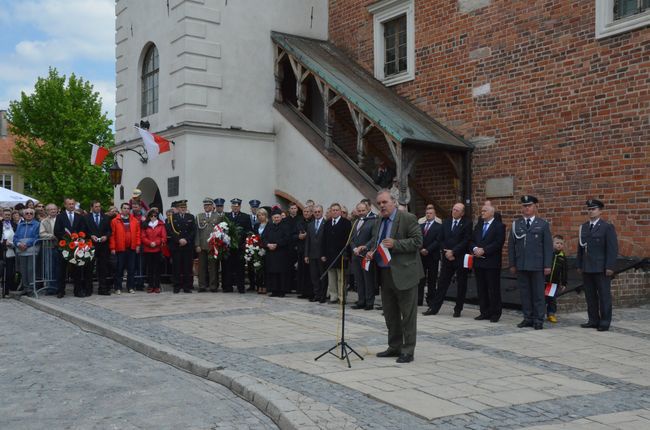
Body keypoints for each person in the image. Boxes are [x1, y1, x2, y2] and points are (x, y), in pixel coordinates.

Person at [362, 190, 423, 363]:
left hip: (405, 273)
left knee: (407, 315)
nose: (381, 205)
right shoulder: (378, 220)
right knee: (390, 314)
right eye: (379, 203)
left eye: (384, 202)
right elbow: (376, 241)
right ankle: (394, 346)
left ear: (393, 202)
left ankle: (408, 350)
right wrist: (371, 252)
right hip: (385, 273)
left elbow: (418, 241)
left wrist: (396, 244)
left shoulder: (407, 218)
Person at [508, 195, 553, 330]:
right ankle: (527, 317)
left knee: (538, 294)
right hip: (521, 264)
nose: (526, 208)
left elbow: (547, 246)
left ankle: (539, 319)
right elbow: (511, 245)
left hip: (538, 265)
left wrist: (547, 265)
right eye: (524, 206)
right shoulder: (516, 224)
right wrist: (512, 263)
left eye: (529, 206)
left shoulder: (542, 224)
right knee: (525, 293)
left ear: (535, 207)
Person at [577, 199, 618, 331]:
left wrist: (610, 266)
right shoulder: (583, 227)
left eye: (593, 209)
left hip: (601, 268)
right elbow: (580, 248)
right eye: (589, 209)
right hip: (587, 267)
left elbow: (612, 249)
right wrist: (579, 264)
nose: (591, 211)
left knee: (604, 295)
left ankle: (605, 321)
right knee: (590, 295)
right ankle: (593, 320)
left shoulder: (607, 227)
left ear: (600, 211)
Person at [424, 203, 471, 317]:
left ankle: (458, 309)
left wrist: (453, 251)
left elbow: (466, 240)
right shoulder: (446, 222)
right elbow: (440, 239)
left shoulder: (467, 223)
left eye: (457, 210)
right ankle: (434, 308)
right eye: (453, 209)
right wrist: (446, 251)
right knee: (442, 283)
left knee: (461, 284)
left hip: (459, 257)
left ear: (462, 213)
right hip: (447, 257)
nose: (454, 211)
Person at [470, 204, 506, 322]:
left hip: (491, 263)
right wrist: (475, 249)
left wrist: (484, 250)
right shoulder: (479, 226)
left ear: (492, 213)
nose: (482, 212)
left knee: (493, 288)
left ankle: (495, 313)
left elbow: (498, 243)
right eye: (482, 211)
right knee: (481, 288)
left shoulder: (499, 226)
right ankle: (484, 311)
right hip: (479, 262)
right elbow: (472, 240)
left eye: (485, 211)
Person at [54, 197, 89, 298]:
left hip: (77, 246)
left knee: (77, 269)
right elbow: (57, 231)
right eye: (69, 204)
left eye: (73, 204)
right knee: (62, 269)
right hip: (64, 246)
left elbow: (83, 229)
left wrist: (77, 239)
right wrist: (67, 239)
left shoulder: (79, 217)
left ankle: (77, 291)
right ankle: (61, 291)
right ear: (65, 205)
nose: (71, 206)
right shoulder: (60, 217)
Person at [321, 203, 352, 304]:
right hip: (329, 255)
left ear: (340, 211)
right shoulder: (327, 223)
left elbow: (349, 240)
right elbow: (324, 240)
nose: (334, 212)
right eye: (332, 210)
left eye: (336, 210)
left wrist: (347, 254)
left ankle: (341, 297)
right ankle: (333, 296)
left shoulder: (346, 223)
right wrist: (323, 254)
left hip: (341, 255)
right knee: (331, 277)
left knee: (341, 278)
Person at [350, 201, 377, 310]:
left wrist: (365, 246)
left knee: (368, 279)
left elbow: (374, 237)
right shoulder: (356, 221)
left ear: (367, 210)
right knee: (359, 279)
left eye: (363, 211)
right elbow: (351, 238)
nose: (361, 213)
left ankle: (369, 302)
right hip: (356, 255)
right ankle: (361, 301)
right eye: (359, 211)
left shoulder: (373, 221)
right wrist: (354, 248)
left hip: (366, 255)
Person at [110, 203, 141, 295]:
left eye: (128, 208)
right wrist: (112, 247)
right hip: (120, 248)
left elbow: (137, 234)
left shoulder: (134, 220)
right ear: (121, 209)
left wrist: (138, 245)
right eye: (124, 208)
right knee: (119, 269)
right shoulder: (115, 221)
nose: (126, 210)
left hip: (131, 248)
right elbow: (112, 235)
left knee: (131, 269)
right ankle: (117, 288)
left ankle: (130, 287)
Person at [166, 200, 196, 293]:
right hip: (177, 245)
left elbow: (193, 231)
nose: (183, 209)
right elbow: (170, 230)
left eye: (184, 207)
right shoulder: (172, 217)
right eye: (181, 208)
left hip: (187, 245)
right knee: (176, 267)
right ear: (178, 208)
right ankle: (177, 286)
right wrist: (179, 240)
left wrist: (186, 240)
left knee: (187, 267)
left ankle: (187, 286)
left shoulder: (191, 217)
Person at [223, 198, 252, 293]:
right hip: (229, 246)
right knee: (228, 267)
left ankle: (241, 287)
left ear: (240, 206)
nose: (236, 208)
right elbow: (222, 228)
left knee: (240, 268)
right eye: (234, 206)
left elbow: (249, 230)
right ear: (231, 206)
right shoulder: (226, 216)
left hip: (240, 246)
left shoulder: (245, 216)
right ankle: (228, 287)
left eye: (237, 206)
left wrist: (240, 234)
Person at [195, 197, 223, 292]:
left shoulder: (218, 216)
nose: (206, 207)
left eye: (208, 205)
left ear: (212, 206)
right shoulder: (199, 216)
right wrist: (197, 245)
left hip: (213, 245)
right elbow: (197, 232)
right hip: (202, 245)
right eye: (205, 205)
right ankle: (202, 286)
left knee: (213, 267)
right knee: (201, 267)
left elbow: (221, 231)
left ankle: (213, 286)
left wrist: (219, 244)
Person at [261, 207, 290, 297]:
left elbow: (287, 238)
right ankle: (274, 290)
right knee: (272, 272)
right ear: (272, 218)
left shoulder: (285, 226)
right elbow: (263, 237)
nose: (276, 219)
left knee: (281, 273)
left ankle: (281, 291)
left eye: (278, 217)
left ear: (281, 217)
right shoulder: (269, 226)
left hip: (281, 253)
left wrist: (277, 244)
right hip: (271, 254)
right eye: (275, 217)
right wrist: (268, 245)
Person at [85, 201, 112, 295]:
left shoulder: (106, 217)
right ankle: (88, 289)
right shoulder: (86, 218)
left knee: (103, 268)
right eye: (96, 206)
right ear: (92, 207)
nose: (98, 208)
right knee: (89, 267)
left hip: (103, 246)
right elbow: (84, 230)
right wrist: (90, 236)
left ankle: (102, 288)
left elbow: (109, 230)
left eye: (99, 206)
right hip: (91, 245)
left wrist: (106, 236)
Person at [418, 207, 442, 308]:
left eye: (430, 213)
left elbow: (438, 240)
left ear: (434, 214)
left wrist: (427, 249)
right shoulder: (420, 226)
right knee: (420, 279)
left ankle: (431, 300)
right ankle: (418, 300)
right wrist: (421, 248)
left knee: (432, 279)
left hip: (432, 256)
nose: (428, 215)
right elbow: (417, 238)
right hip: (421, 255)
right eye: (427, 213)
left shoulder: (439, 226)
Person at [13, 208, 40, 295]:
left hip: (32, 250)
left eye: (31, 213)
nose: (29, 214)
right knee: (23, 270)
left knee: (31, 270)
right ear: (24, 215)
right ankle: (25, 288)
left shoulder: (37, 224)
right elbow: (15, 237)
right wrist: (18, 244)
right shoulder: (20, 225)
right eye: (27, 213)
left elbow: (37, 237)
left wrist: (26, 244)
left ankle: (31, 289)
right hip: (21, 250)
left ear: (33, 215)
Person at [304, 205, 327, 303]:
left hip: (322, 255)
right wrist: (306, 255)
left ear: (322, 212)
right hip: (312, 254)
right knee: (314, 276)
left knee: (323, 276)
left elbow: (327, 241)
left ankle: (323, 295)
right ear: (313, 213)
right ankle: (316, 294)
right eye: (315, 212)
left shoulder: (326, 224)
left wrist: (325, 254)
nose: (317, 213)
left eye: (319, 212)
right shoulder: (310, 225)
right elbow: (307, 241)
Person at [141, 208, 167, 293]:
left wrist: (156, 243)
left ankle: (157, 286)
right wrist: (149, 243)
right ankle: (150, 285)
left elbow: (163, 237)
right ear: (149, 216)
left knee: (157, 269)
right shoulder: (145, 225)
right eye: (151, 216)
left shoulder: (161, 225)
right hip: (148, 249)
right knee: (149, 269)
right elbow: (143, 237)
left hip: (157, 249)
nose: (153, 217)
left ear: (157, 216)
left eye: (155, 216)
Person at [545, 235, 568, 323]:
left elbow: (564, 271)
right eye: (557, 243)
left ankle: (551, 314)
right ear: (552, 243)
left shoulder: (562, 257)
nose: (559, 245)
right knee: (542, 298)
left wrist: (564, 283)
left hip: (553, 283)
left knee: (551, 299)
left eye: (561, 243)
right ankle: (538, 313)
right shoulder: (548, 254)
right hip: (544, 280)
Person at [39, 203, 59, 294]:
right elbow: (41, 234)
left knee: (59, 268)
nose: (53, 211)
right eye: (51, 209)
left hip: (61, 247)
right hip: (49, 247)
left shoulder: (61, 219)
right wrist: (51, 236)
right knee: (49, 268)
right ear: (47, 211)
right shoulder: (44, 221)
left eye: (54, 209)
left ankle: (59, 287)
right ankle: (51, 288)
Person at [296, 206, 313, 299]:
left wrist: (307, 235)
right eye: (304, 211)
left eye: (308, 211)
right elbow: (293, 235)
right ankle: (303, 291)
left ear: (311, 213)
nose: (306, 213)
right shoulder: (299, 222)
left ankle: (311, 292)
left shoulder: (313, 222)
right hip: (301, 250)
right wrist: (298, 236)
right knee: (302, 272)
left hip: (311, 250)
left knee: (310, 273)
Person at [253, 208, 269, 294]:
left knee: (265, 267)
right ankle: (259, 285)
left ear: (265, 215)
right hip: (257, 249)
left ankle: (265, 285)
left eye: (262, 215)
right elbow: (254, 236)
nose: (260, 217)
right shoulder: (256, 225)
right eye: (259, 215)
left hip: (266, 249)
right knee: (258, 268)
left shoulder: (269, 225)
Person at [247, 199, 261, 291]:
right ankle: (252, 284)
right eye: (253, 207)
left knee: (259, 265)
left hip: (258, 244)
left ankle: (259, 283)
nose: (254, 209)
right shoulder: (247, 217)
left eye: (256, 207)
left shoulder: (261, 218)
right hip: (249, 244)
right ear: (251, 208)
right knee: (250, 265)